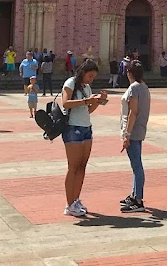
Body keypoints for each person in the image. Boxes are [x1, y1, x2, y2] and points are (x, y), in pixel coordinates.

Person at [61, 59, 108, 217]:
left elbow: (87, 110)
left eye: (93, 77)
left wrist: (98, 101)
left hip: (86, 127)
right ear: (83, 72)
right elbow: (66, 103)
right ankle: (69, 205)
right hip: (72, 128)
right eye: (90, 76)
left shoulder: (86, 87)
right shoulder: (70, 83)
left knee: (82, 166)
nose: (91, 79)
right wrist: (87, 100)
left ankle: (76, 199)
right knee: (73, 167)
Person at [120, 60, 152, 213]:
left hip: (133, 131)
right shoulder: (144, 87)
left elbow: (133, 111)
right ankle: (134, 195)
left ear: (129, 73)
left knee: (137, 166)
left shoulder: (134, 88)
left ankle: (138, 200)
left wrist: (127, 134)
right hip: (140, 129)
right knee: (136, 164)